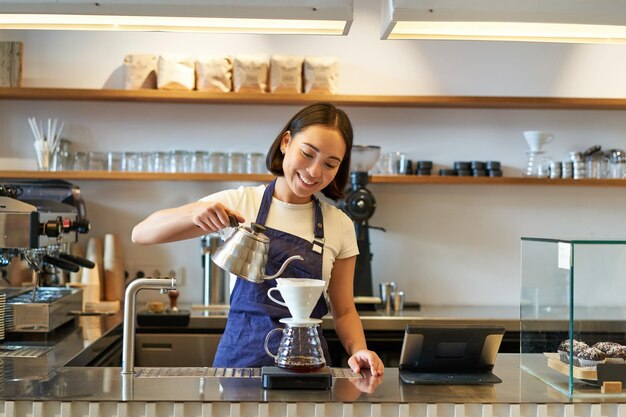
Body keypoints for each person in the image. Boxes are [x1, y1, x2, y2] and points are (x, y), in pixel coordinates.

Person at [132, 102, 384, 376]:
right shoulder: (240, 203)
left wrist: (359, 349)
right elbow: (141, 234)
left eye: (330, 164)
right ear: (286, 142)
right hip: (238, 366)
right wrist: (194, 212)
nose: (314, 171)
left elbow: (345, 311)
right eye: (307, 153)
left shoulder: (339, 225)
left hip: (307, 370)